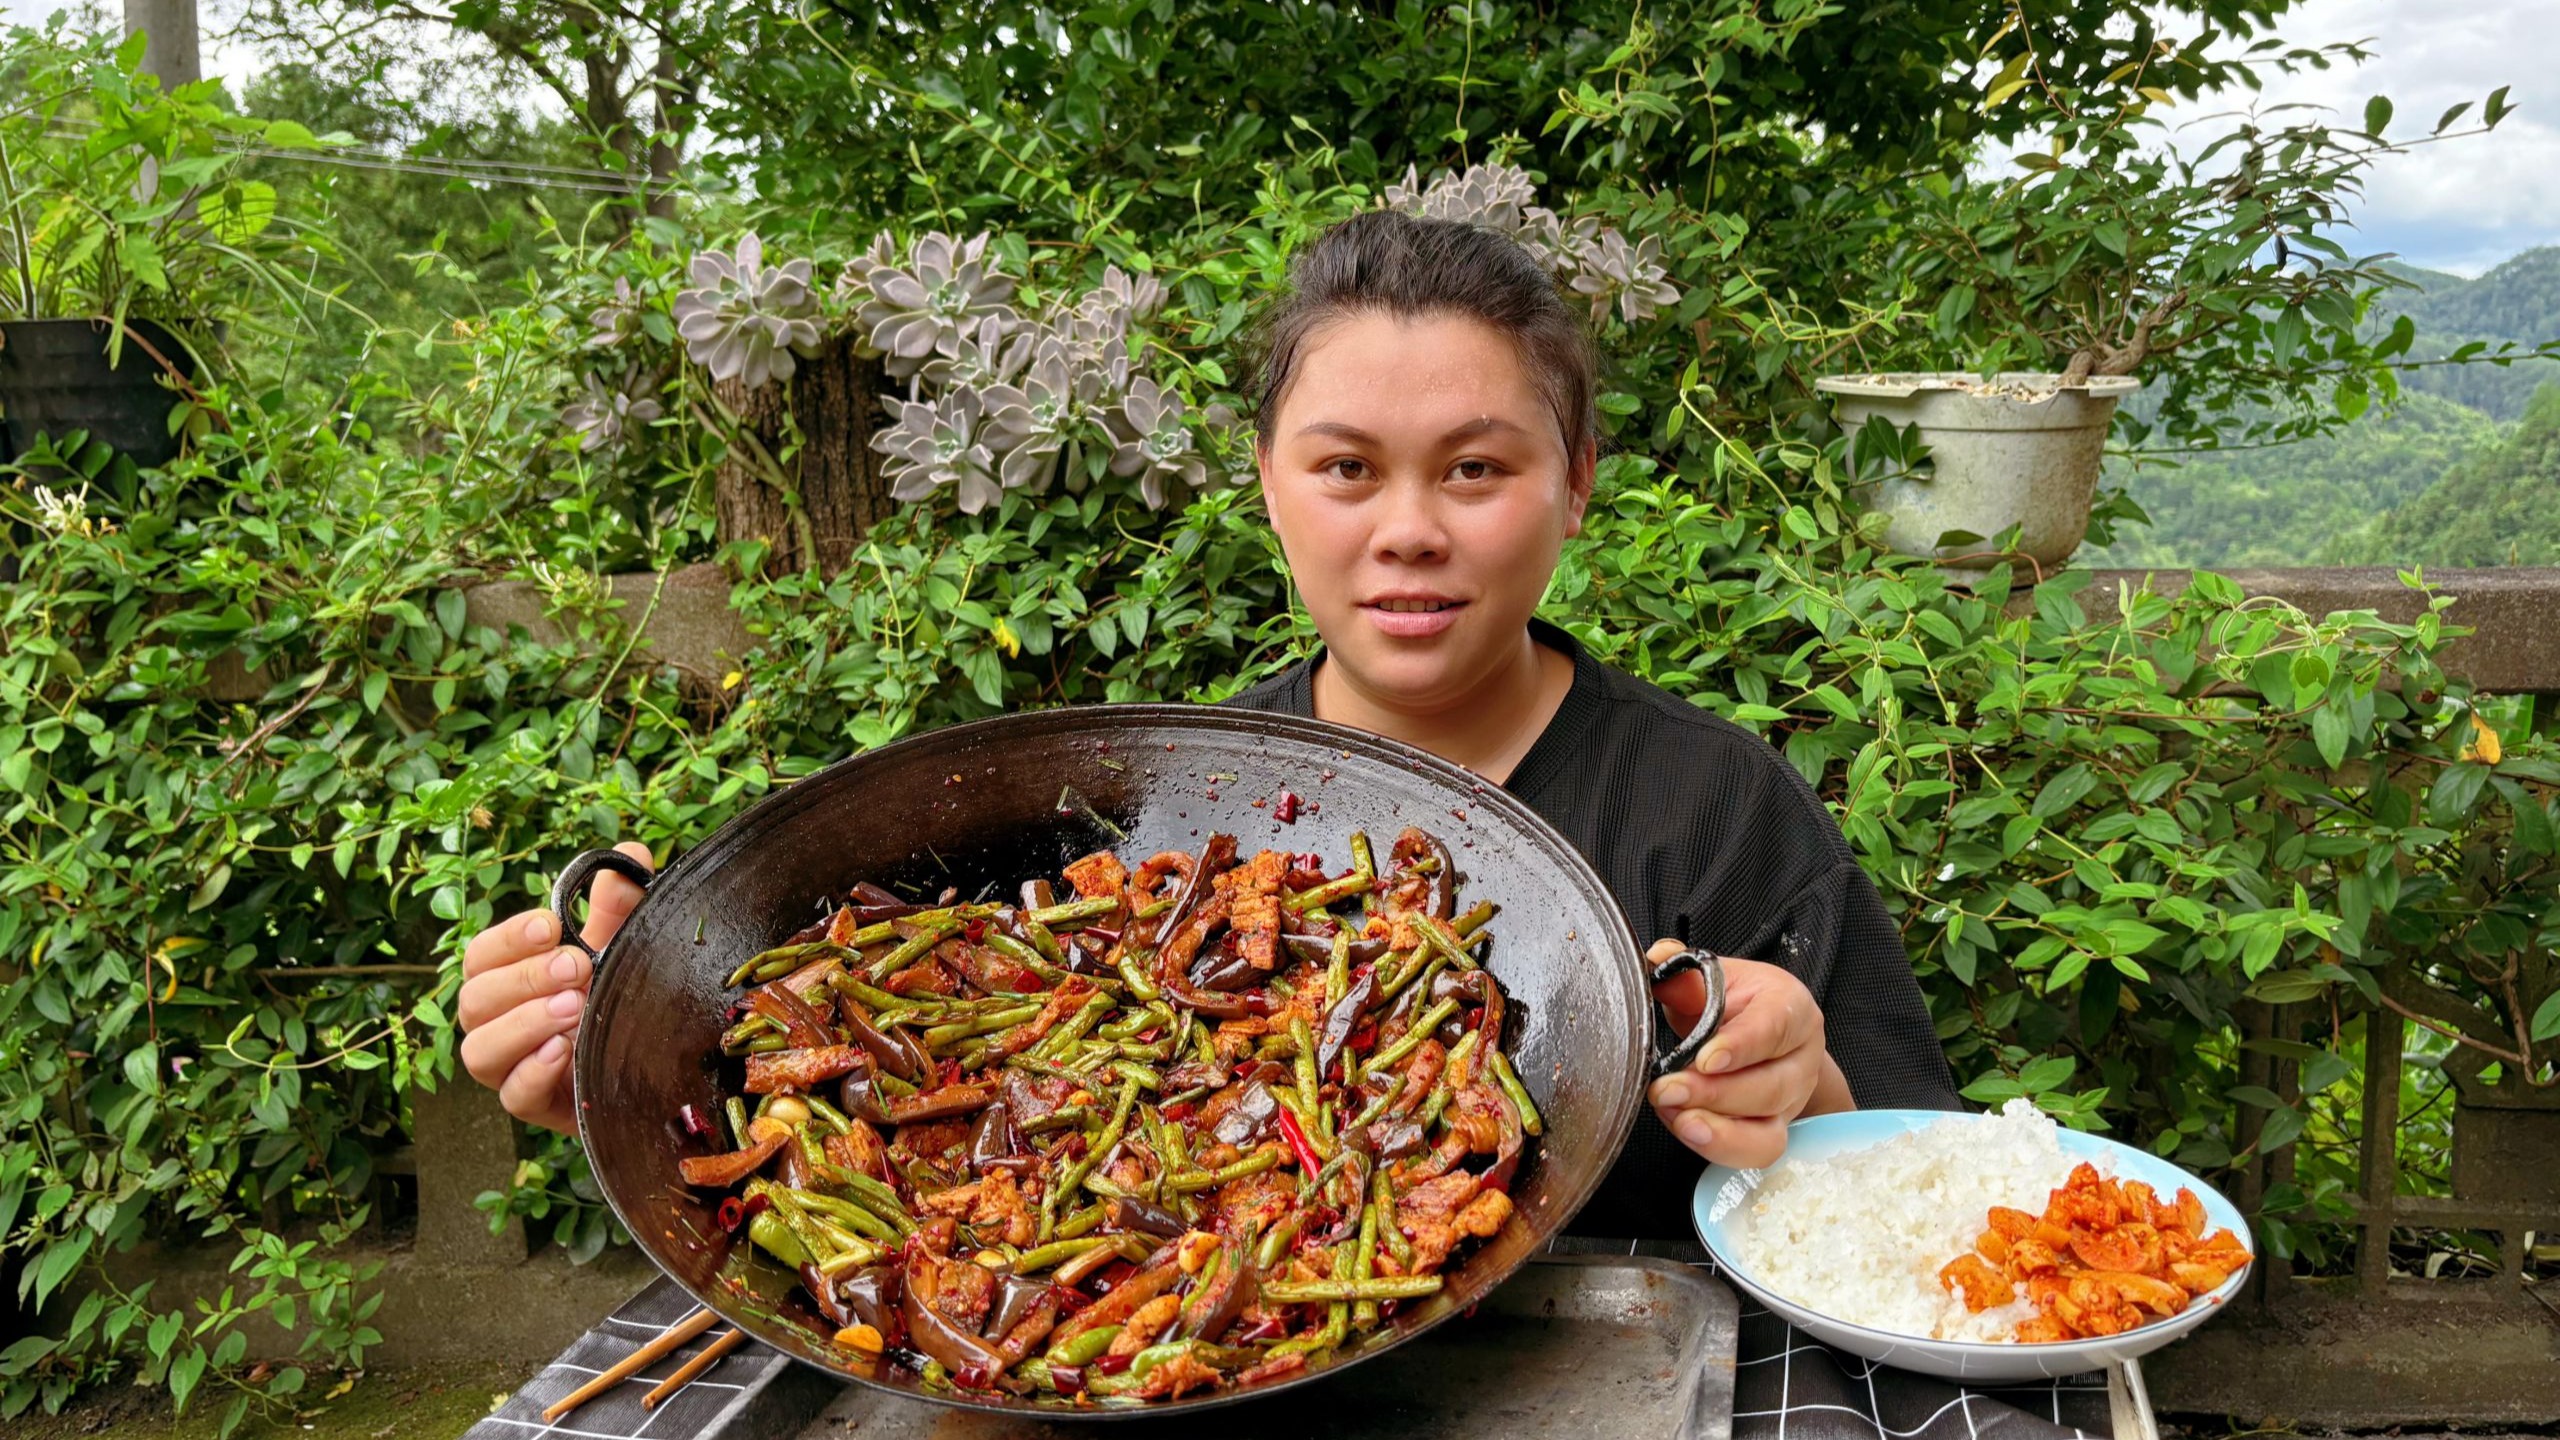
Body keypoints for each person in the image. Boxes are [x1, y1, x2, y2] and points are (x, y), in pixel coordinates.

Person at [456, 210, 1957, 1242]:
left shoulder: (1722, 810)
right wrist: (627, 1052)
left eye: (1477, 469)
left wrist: (1805, 1087)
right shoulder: (1160, 814)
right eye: (1347, 468)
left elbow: (1917, 1190)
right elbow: (886, 1090)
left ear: (1575, 484)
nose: (1410, 530)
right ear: (1267, 485)